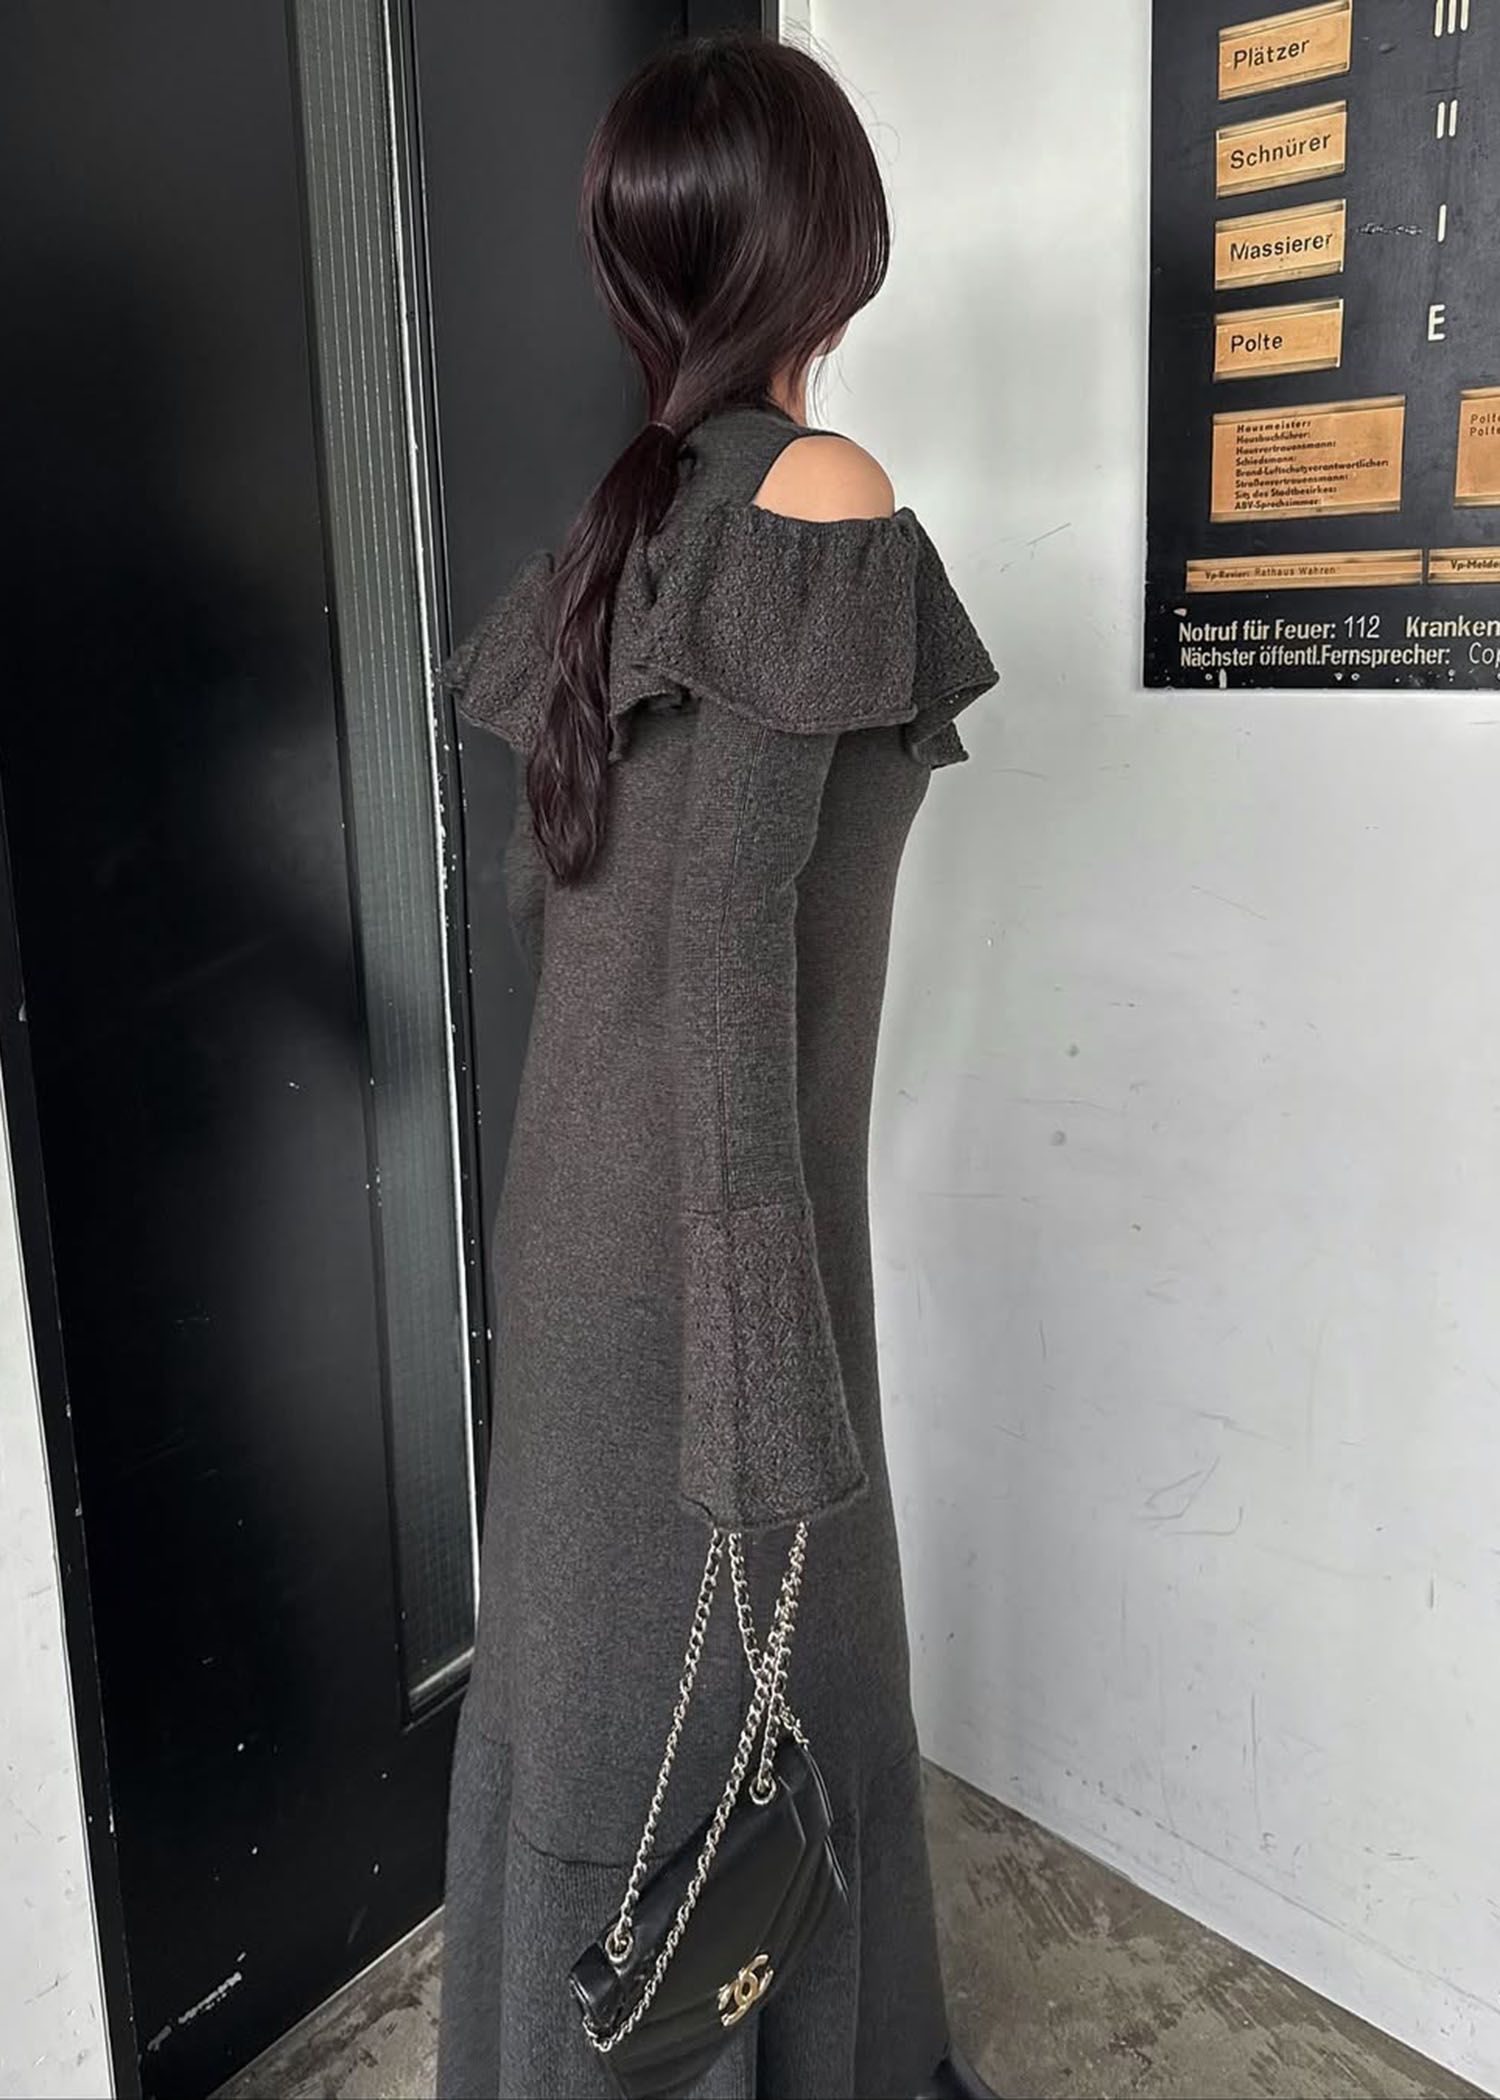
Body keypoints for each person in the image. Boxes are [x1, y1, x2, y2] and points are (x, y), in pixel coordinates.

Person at [435, 30, 999, 2100]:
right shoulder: (814, 492)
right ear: (829, 247)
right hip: (718, 1254)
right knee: (720, 1696)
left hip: (604, 1212)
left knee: (619, 1692)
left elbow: (553, 906)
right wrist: (758, 1350)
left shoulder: (629, 520)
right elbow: (722, 940)